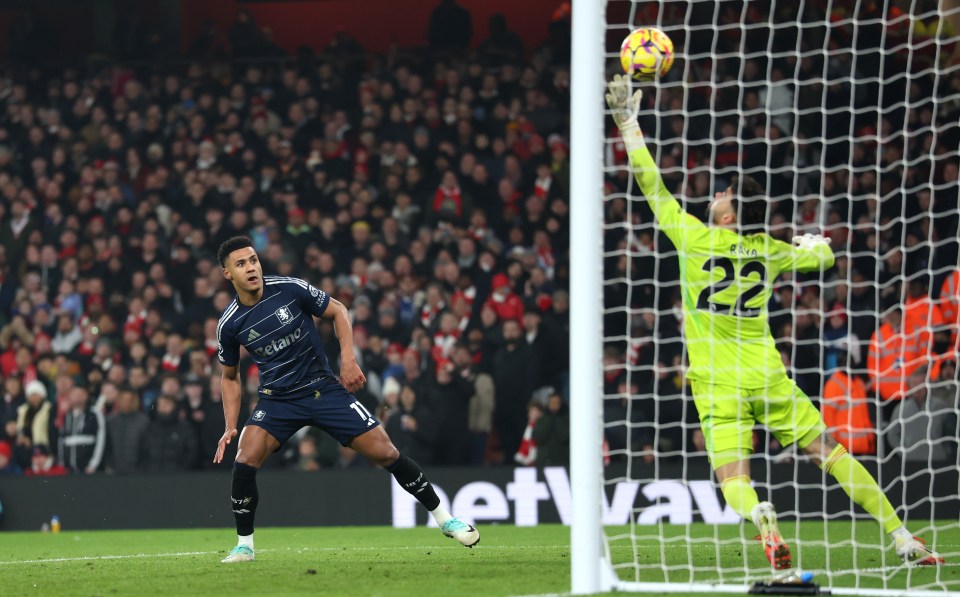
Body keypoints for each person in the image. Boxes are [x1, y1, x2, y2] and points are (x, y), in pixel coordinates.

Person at [604, 74, 942, 568]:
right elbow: (825, 259)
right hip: (767, 375)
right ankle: (901, 536)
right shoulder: (772, 252)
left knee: (734, 480)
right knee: (829, 451)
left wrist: (627, 123)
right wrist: (814, 244)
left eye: (725, 193)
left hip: (717, 381)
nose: (717, 192)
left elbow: (650, 183)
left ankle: (762, 515)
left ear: (727, 216)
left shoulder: (694, 237)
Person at [213, 236, 478, 563]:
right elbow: (229, 377)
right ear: (228, 275)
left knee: (386, 452)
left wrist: (348, 360)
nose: (251, 267)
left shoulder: (289, 288)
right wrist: (229, 425)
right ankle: (244, 547)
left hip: (322, 389)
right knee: (244, 460)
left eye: (253, 259)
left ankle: (445, 519)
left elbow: (338, 310)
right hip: (277, 400)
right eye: (241, 264)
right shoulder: (229, 323)